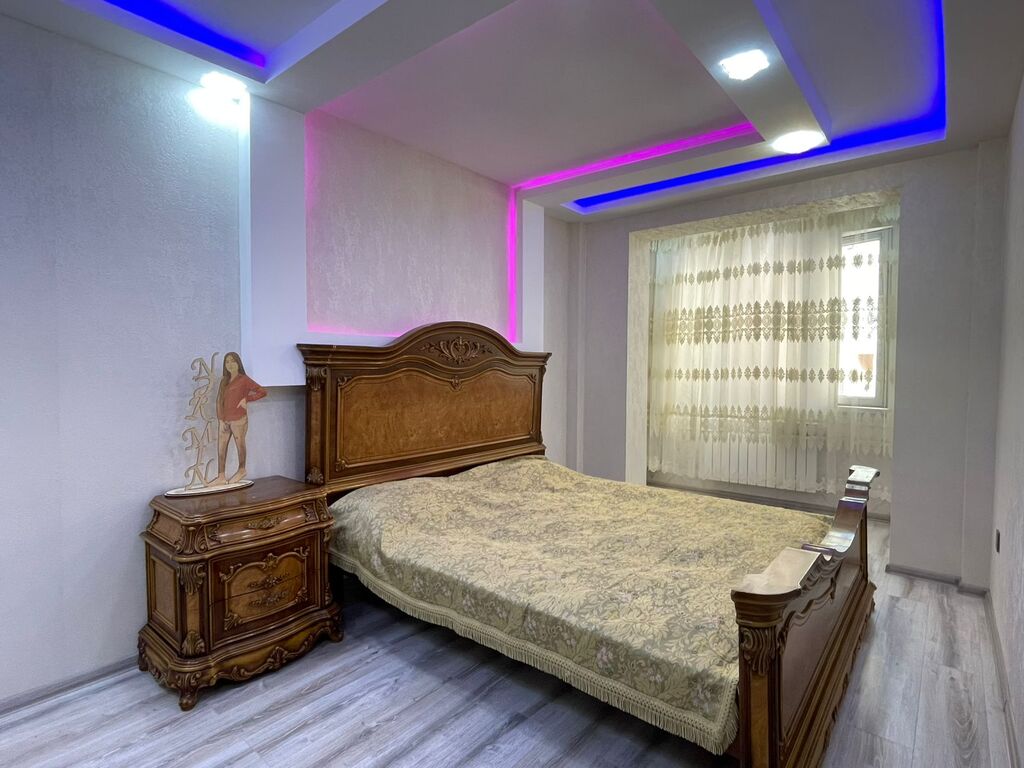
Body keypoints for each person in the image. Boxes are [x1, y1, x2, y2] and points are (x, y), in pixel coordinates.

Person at [212, 352, 266, 485]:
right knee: (221, 447)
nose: (230, 364)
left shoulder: (244, 379)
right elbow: (219, 400)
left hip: (239, 419)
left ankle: (242, 470)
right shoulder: (224, 381)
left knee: (239, 444)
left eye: (233, 361)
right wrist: (220, 419)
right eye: (227, 362)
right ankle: (221, 476)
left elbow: (262, 392)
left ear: (238, 363)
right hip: (224, 420)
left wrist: (246, 399)